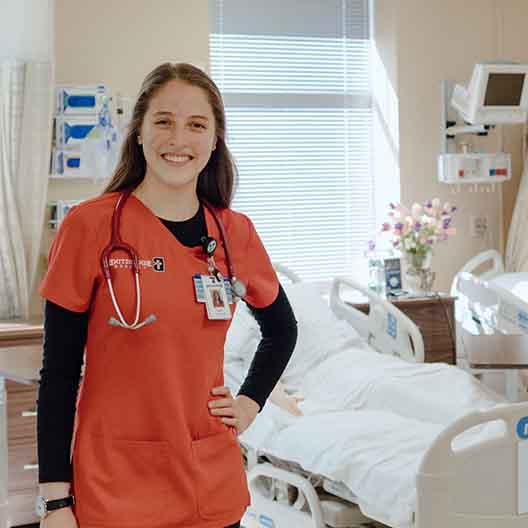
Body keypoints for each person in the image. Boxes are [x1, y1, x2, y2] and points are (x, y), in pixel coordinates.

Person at [37, 62, 298, 528]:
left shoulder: (233, 234)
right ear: (138, 131)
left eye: (197, 125)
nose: (179, 139)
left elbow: (281, 329)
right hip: (114, 485)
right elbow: (58, 373)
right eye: (163, 121)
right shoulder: (91, 227)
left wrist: (248, 402)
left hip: (209, 481)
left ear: (215, 139)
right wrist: (56, 502)